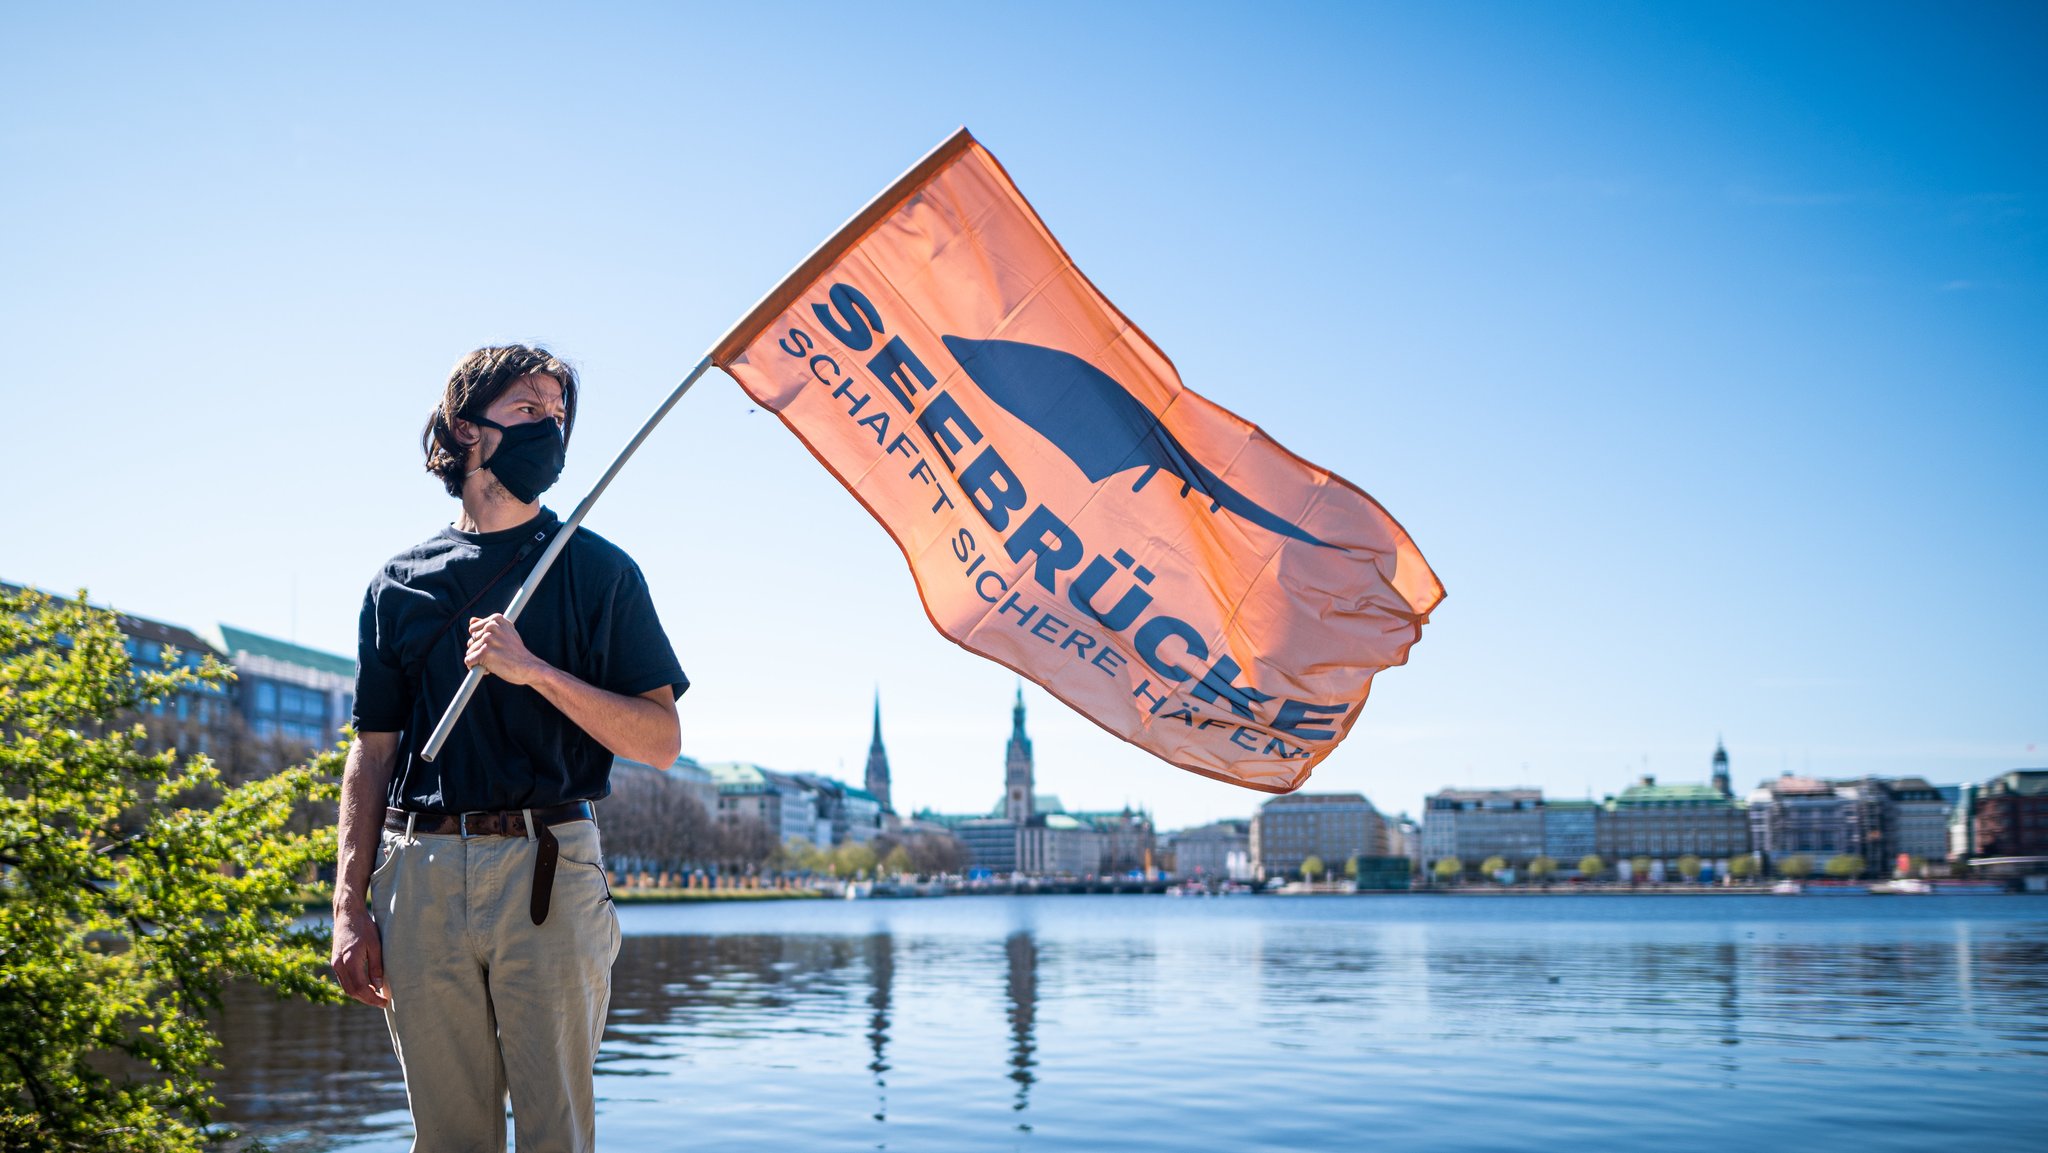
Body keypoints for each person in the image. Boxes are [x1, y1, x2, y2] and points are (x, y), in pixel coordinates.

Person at [331, 344, 687, 1153]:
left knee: (556, 1134)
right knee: (450, 1138)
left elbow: (661, 740)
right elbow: (372, 755)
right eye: (529, 411)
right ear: (467, 430)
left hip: (549, 869)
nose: (551, 430)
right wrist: (348, 903)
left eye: (560, 415)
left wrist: (532, 671)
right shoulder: (398, 583)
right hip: (418, 873)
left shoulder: (597, 572)